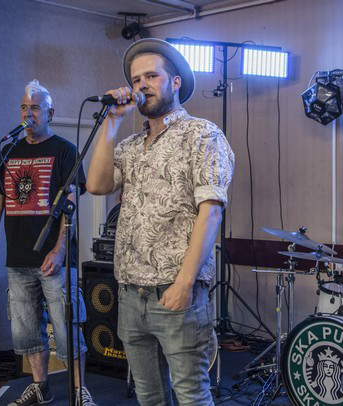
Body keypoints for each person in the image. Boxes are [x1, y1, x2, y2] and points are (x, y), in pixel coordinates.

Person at [86, 38, 234, 406]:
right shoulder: (130, 146)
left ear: (175, 82)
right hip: (130, 292)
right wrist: (112, 122)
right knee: (148, 395)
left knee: (191, 395)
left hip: (176, 293)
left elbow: (211, 212)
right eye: (136, 80)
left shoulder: (202, 134)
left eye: (151, 76)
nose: (142, 85)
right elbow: (96, 185)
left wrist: (184, 283)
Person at [0, 80, 96, 406]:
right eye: (24, 107)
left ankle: (79, 391)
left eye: (35, 108)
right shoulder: (9, 152)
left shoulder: (64, 151)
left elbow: (72, 206)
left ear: (50, 113)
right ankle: (40, 388)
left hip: (54, 261)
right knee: (27, 332)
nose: (28, 114)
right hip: (18, 260)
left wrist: (59, 250)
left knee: (67, 329)